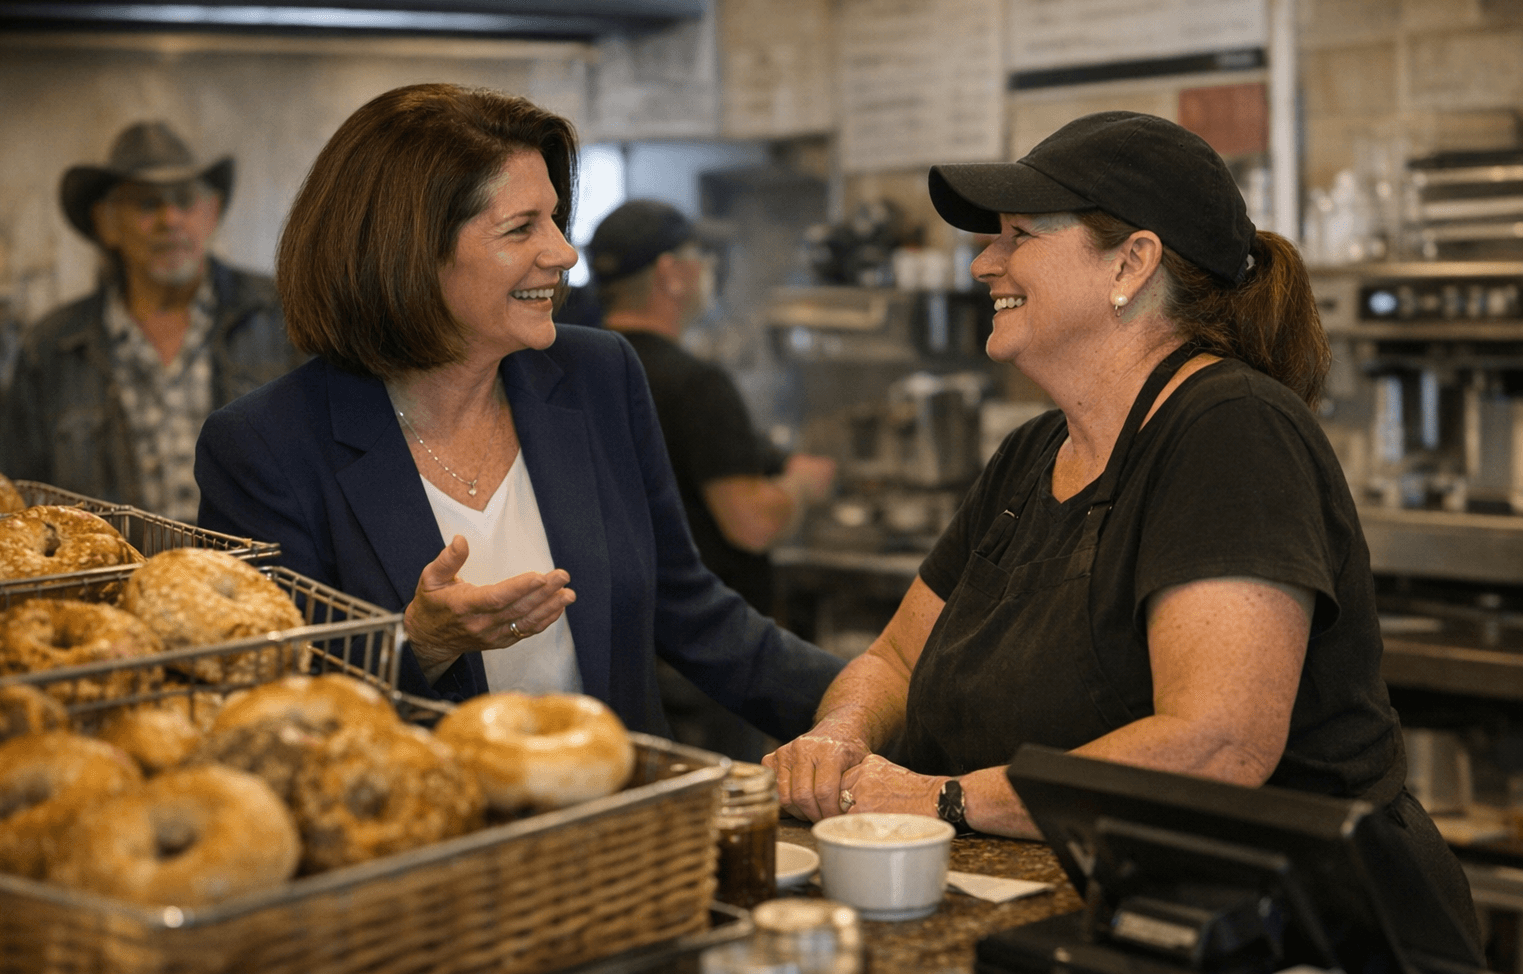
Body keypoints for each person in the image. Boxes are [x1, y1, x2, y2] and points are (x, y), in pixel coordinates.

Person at [765, 111, 1482, 954]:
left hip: (1294, 931)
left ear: (1132, 263)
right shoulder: (1033, 453)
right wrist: (839, 734)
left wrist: (940, 800)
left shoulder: (1232, 429)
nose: (983, 261)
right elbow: (893, 658)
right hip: (1091, 908)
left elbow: (1216, 743)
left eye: (1021, 234)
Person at [193, 83, 843, 743]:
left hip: (617, 830)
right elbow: (269, 710)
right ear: (411, 254)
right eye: (521, 228)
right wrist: (416, 644)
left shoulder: (599, 377)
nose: (563, 253)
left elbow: (688, 609)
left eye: (556, 219)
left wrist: (860, 701)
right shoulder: (264, 446)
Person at [592, 199, 837, 758]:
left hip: (630, 644)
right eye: (698, 256)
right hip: (711, 655)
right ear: (669, 274)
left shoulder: (583, 370)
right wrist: (800, 485)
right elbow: (749, 523)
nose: (707, 269)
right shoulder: (695, 384)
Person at [0, 121, 301, 520]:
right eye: (146, 204)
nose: (169, 219)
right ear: (106, 223)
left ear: (211, 213)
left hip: (260, 573)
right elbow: (14, 503)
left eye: (185, 200)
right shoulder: (50, 349)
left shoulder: (282, 316)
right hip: (110, 576)